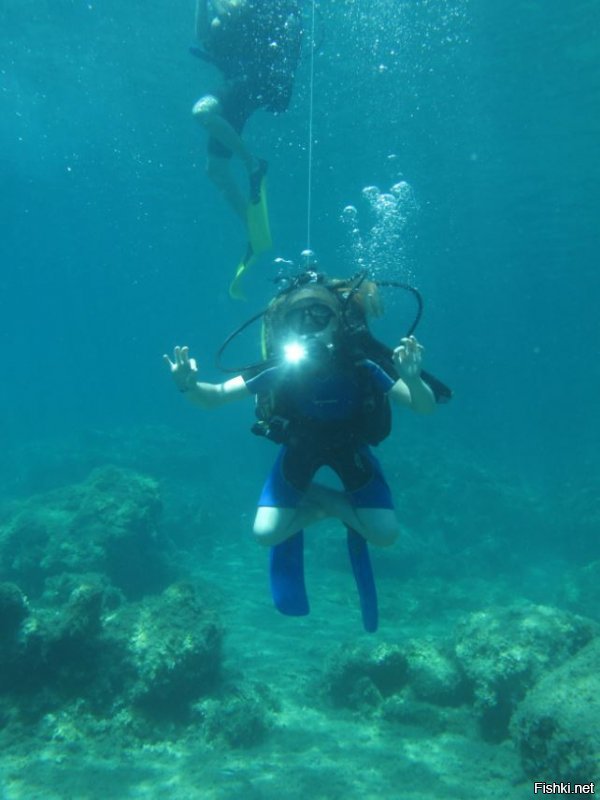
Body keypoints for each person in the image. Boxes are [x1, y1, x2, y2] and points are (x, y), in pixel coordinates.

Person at [164, 272, 443, 631]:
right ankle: (331, 506)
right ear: (285, 326)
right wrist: (188, 386)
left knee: (386, 536)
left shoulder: (361, 363)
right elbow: (214, 397)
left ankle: (324, 503)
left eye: (319, 315)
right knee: (264, 534)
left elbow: (424, 406)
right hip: (301, 447)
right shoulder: (282, 367)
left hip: (349, 447)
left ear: (338, 322)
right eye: (298, 318)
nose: (308, 326)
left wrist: (414, 378)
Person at [191, 0, 302, 226]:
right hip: (238, 87)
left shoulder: (255, 7)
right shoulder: (222, 16)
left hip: (255, 80)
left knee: (202, 112)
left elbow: (234, 11)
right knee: (216, 169)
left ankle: (253, 164)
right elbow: (202, 36)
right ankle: (253, 225)